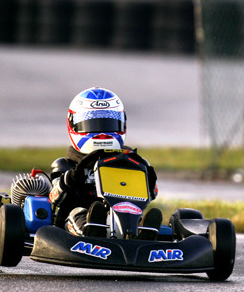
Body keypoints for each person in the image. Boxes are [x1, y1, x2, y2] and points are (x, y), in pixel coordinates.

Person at [48, 86, 162, 238]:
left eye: (108, 124)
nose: (102, 134)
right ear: (73, 126)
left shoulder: (131, 161)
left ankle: (143, 232)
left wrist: (150, 178)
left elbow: (151, 195)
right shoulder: (66, 165)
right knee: (79, 213)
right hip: (77, 218)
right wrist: (72, 178)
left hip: (123, 216)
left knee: (139, 214)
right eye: (93, 125)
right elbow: (55, 198)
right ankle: (93, 230)